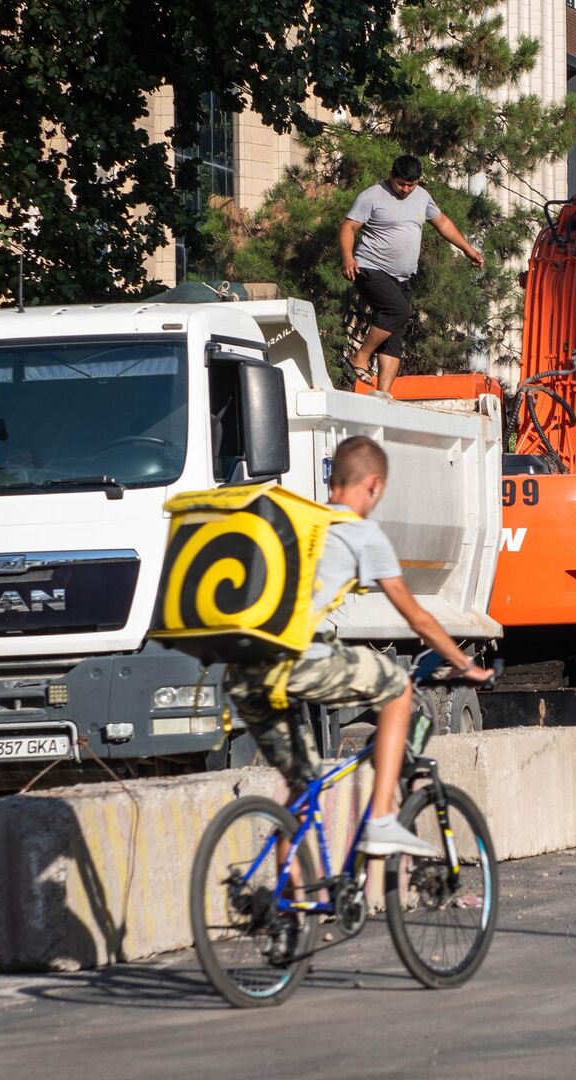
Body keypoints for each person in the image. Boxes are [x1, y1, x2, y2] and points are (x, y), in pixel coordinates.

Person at [223, 436, 495, 856]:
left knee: (301, 791)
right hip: (296, 660)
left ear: (332, 480)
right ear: (373, 485)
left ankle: (291, 908)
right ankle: (382, 821)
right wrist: (465, 663)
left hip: (244, 670)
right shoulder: (360, 532)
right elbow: (418, 618)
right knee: (398, 688)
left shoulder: (298, 523)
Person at [340, 155, 484, 399]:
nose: (406, 189)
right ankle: (360, 356)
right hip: (370, 268)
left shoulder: (422, 196)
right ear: (391, 176)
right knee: (397, 312)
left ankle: (383, 394)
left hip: (403, 276)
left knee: (394, 334)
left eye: (411, 184)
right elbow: (348, 226)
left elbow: (442, 222)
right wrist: (347, 257)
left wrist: (468, 248)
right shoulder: (372, 196)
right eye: (401, 184)